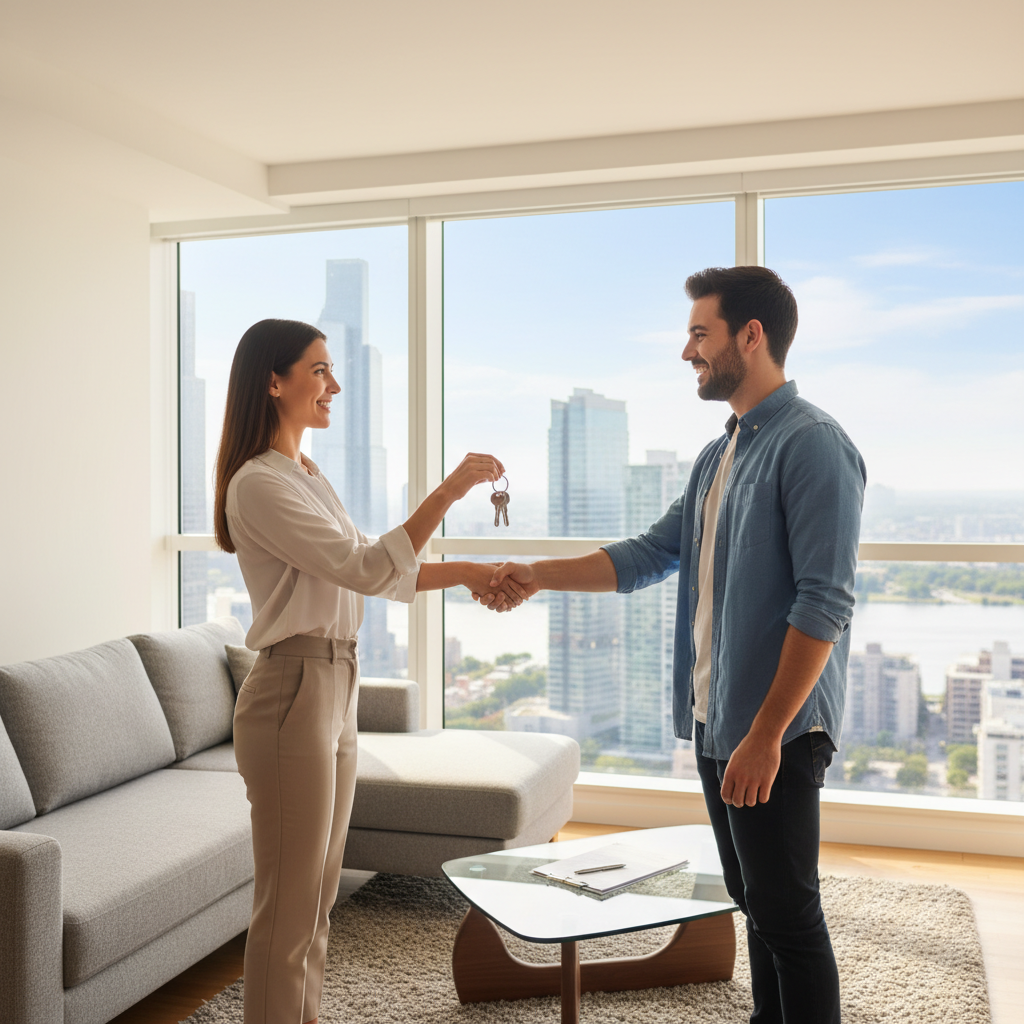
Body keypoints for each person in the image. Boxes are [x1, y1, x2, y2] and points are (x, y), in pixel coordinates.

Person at [485, 267, 865, 1024]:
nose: (685, 350)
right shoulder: (718, 454)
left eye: (700, 332)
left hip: (774, 732)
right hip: (718, 723)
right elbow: (647, 556)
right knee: (755, 907)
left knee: (789, 914)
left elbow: (824, 603)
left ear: (750, 337)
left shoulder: (813, 444)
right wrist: (534, 574)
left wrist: (765, 736)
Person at [213, 318, 522, 1024]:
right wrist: (447, 492)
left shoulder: (305, 475)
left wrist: (471, 571)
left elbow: (376, 577)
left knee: (318, 898)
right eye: (319, 370)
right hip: (293, 689)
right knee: (289, 908)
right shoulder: (258, 485)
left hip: (336, 684)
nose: (334, 385)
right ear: (274, 381)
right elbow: (364, 565)